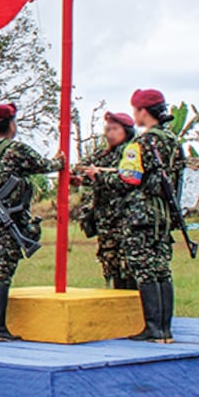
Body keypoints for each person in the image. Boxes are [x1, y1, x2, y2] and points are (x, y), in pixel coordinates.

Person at [80, 88, 184, 344]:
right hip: (163, 212)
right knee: (162, 270)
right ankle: (165, 330)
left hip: (140, 215)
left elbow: (129, 179)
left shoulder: (140, 144)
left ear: (142, 111)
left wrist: (99, 177)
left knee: (145, 270)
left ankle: (152, 329)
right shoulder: (173, 142)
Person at [0, 103, 64, 342]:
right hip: (5, 218)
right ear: (10, 124)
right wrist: (59, 161)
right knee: (1, 270)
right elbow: (45, 166)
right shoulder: (17, 150)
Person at [73, 112, 137, 289]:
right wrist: (79, 178)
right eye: (107, 129)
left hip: (126, 219)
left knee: (129, 264)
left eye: (115, 129)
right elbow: (83, 169)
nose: (110, 133)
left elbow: (126, 181)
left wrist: (98, 176)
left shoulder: (131, 153)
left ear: (127, 131)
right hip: (105, 221)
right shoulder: (102, 155)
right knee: (110, 261)